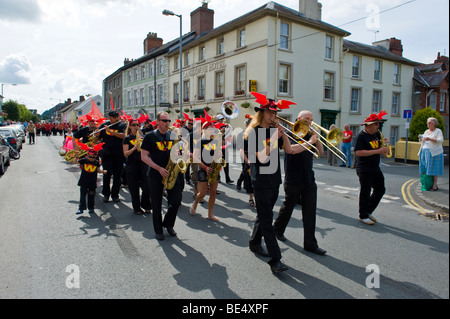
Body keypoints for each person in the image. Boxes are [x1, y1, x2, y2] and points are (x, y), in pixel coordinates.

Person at [245, 92, 299, 274]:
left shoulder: (274, 131)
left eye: (274, 113)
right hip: (260, 180)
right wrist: (275, 138)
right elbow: (259, 157)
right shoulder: (253, 133)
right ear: (261, 113)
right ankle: (275, 259)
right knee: (267, 220)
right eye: (269, 113)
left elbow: (289, 150)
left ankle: (254, 242)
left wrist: (283, 135)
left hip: (274, 179)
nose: (273, 116)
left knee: (263, 214)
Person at [273, 110, 326, 255]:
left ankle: (310, 243)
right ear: (298, 119)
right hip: (293, 178)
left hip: (309, 178)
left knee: (310, 212)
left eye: (311, 119)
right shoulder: (290, 133)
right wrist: (310, 142)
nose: (309, 122)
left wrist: (317, 138)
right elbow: (291, 150)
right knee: (288, 207)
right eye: (307, 119)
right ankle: (277, 229)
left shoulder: (311, 135)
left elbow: (320, 152)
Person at [141, 111, 183, 240]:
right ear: (157, 122)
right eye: (164, 121)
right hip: (155, 172)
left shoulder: (172, 135)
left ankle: (168, 224)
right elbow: (144, 157)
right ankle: (158, 230)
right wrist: (158, 168)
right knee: (157, 203)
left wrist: (184, 153)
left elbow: (177, 152)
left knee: (176, 201)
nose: (167, 123)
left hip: (171, 172)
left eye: (168, 121)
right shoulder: (149, 136)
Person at [354, 112, 389, 225]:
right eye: (376, 124)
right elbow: (359, 152)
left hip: (375, 167)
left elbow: (378, 147)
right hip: (364, 168)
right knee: (365, 192)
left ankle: (368, 211)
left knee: (380, 189)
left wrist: (383, 145)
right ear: (368, 125)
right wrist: (377, 151)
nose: (378, 126)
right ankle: (363, 215)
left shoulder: (377, 134)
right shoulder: (361, 136)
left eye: (378, 124)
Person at [190, 121, 224, 221]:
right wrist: (205, 167)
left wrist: (219, 155)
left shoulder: (216, 141)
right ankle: (195, 202)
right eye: (209, 128)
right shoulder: (200, 142)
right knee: (203, 193)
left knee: (213, 192)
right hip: (203, 168)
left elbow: (219, 154)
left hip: (214, 169)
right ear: (204, 130)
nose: (211, 130)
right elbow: (196, 158)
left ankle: (210, 214)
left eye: (212, 128)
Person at [94, 111, 127, 203]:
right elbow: (97, 139)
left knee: (117, 175)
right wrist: (97, 135)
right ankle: (106, 194)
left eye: (117, 116)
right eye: (114, 117)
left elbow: (124, 136)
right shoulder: (104, 126)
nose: (116, 118)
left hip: (119, 153)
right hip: (107, 153)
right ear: (110, 118)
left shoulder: (122, 125)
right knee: (107, 174)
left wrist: (111, 132)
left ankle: (115, 195)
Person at [123, 119, 151, 215]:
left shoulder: (143, 137)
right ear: (130, 126)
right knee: (134, 188)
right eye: (134, 125)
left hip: (143, 164)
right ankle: (137, 208)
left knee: (147, 187)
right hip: (132, 165)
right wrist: (135, 147)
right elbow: (126, 154)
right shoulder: (127, 138)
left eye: (137, 125)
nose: (136, 127)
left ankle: (146, 205)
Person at [73, 146, 107, 215]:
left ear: (95, 156)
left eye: (93, 157)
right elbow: (75, 162)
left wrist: (103, 171)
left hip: (92, 182)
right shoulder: (84, 160)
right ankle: (81, 208)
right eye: (90, 157)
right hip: (83, 181)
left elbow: (98, 170)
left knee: (91, 195)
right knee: (82, 195)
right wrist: (76, 155)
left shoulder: (96, 162)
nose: (91, 158)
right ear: (87, 155)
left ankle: (91, 208)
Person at [418, 117, 444, 191]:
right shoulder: (426, 131)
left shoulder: (438, 131)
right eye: (428, 123)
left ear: (434, 124)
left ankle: (435, 185)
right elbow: (422, 141)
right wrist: (420, 138)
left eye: (430, 123)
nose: (428, 124)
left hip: (434, 152)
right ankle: (426, 184)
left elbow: (440, 140)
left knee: (433, 169)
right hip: (424, 151)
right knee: (425, 168)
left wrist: (430, 139)